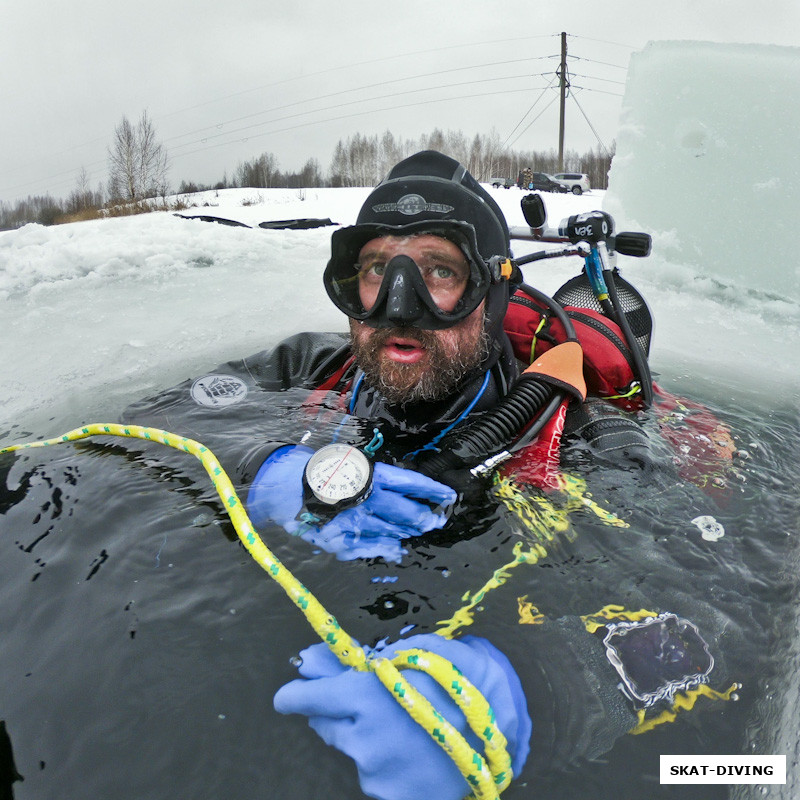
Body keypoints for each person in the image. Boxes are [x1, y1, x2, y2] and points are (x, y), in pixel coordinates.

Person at [121, 151, 740, 800]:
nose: (397, 306)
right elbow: (157, 417)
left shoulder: (587, 434)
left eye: (439, 272)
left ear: (493, 294)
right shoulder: (319, 368)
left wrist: (539, 691)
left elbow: (718, 615)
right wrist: (265, 466)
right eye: (376, 271)